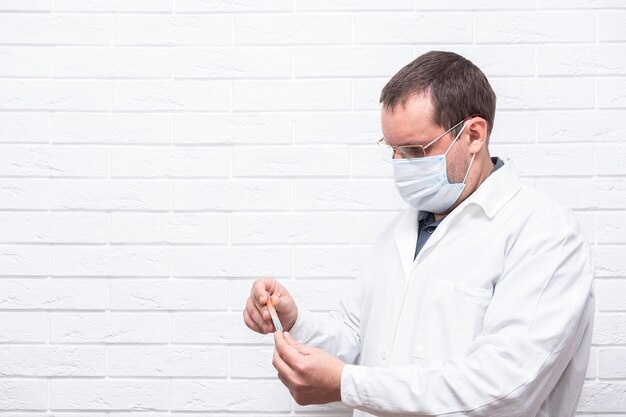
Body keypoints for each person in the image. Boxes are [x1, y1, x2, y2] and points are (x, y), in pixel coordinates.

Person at [243, 51, 594, 417]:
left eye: (414, 150)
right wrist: (296, 321)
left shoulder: (544, 234)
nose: (400, 165)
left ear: (474, 134)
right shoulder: (401, 233)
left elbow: (505, 388)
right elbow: (360, 346)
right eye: (393, 149)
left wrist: (347, 384)